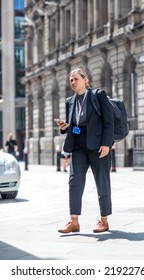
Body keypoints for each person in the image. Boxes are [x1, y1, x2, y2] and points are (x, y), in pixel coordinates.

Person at [54, 67, 114, 233]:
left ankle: (104, 220)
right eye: (71, 80)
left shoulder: (97, 95)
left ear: (85, 80)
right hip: (78, 145)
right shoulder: (70, 101)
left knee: (102, 182)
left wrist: (107, 144)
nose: (73, 82)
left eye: (76, 79)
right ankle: (74, 221)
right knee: (74, 182)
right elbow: (74, 126)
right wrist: (65, 127)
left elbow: (109, 121)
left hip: (98, 145)